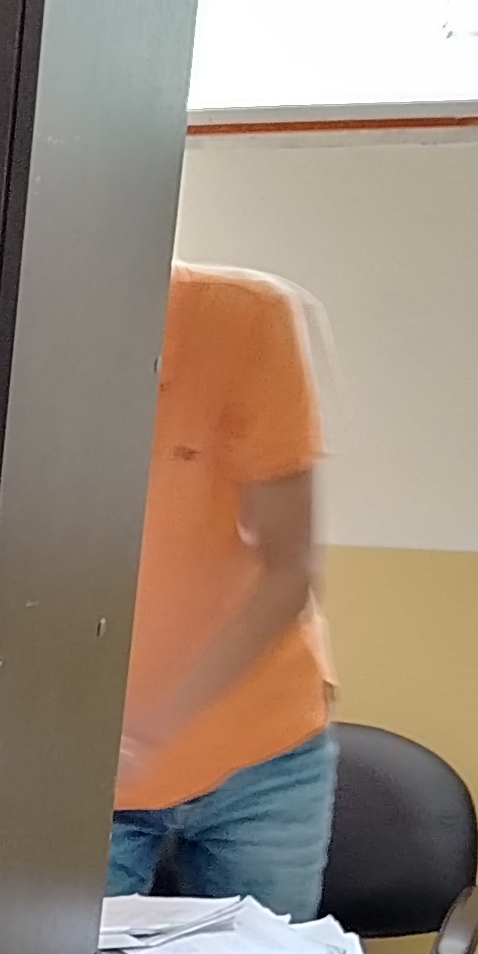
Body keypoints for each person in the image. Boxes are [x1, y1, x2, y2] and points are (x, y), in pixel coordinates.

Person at [112, 262, 337, 915]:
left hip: (257, 755)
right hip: (81, 766)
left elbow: (289, 568)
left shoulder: (245, 318)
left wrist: (151, 730)